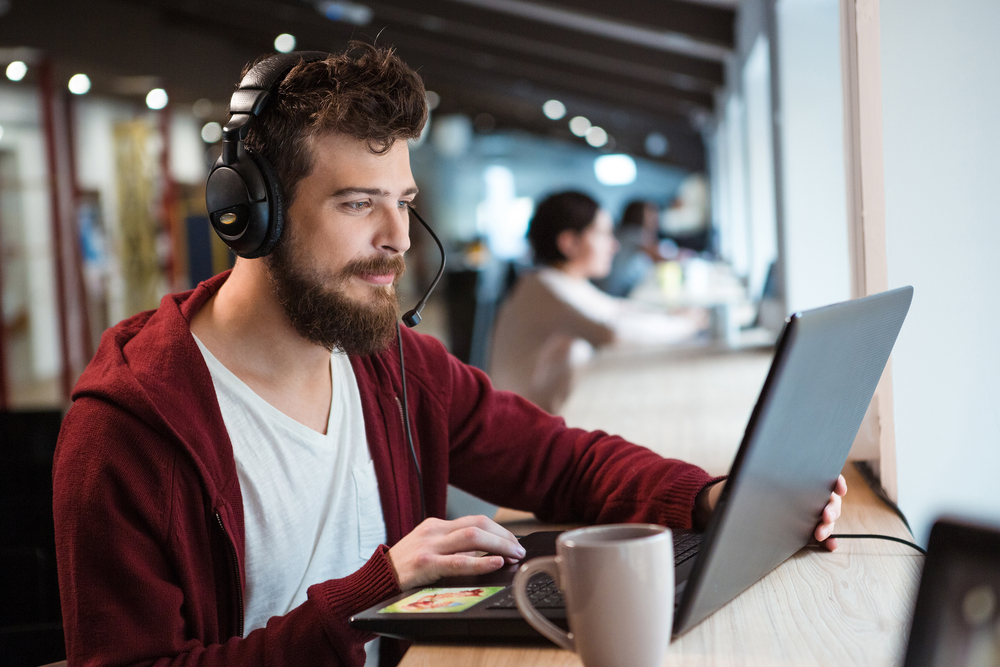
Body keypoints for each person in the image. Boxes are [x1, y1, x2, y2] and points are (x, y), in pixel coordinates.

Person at [52, 45, 846, 667]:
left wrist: (710, 498)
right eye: (358, 203)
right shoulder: (130, 434)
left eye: (402, 203)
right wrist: (376, 590)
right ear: (247, 216)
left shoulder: (390, 364)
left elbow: (560, 461)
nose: (397, 239)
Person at [489, 191, 705, 414]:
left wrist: (672, 317)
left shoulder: (559, 281)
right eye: (604, 234)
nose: (614, 245)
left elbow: (615, 309)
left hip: (545, 416)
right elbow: (611, 332)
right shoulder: (546, 287)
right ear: (569, 243)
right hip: (525, 431)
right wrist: (686, 326)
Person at [594, 199, 667, 297]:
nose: (655, 217)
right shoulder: (632, 233)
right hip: (615, 292)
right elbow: (657, 256)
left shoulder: (622, 231)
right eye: (650, 213)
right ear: (639, 214)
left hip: (614, 289)